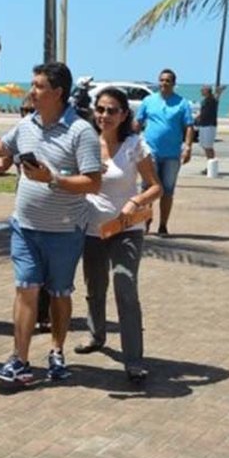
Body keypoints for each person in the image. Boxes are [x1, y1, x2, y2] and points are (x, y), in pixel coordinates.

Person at [0, 62, 101, 384]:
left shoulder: (81, 131)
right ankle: (20, 360)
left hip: (65, 231)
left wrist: (51, 179)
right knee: (25, 290)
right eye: (33, 84)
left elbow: (93, 183)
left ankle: (56, 351)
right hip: (24, 227)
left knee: (58, 293)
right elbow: (0, 149)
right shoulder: (27, 124)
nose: (32, 91)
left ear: (58, 92)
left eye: (39, 86)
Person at [74, 87, 163, 382]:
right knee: (94, 287)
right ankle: (96, 335)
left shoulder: (134, 145)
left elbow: (155, 186)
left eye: (112, 110)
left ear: (124, 114)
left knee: (125, 289)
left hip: (127, 229)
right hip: (92, 228)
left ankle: (134, 360)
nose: (105, 115)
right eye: (100, 109)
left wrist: (135, 201)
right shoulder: (86, 142)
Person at [135, 69, 195, 236]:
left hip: (172, 155)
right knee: (148, 189)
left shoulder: (182, 103)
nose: (164, 83)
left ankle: (163, 225)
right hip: (150, 151)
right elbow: (138, 123)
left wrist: (188, 147)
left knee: (167, 190)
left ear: (173, 83)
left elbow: (189, 126)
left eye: (168, 80)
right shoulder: (148, 100)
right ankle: (145, 223)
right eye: (161, 80)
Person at [195, 84, 226, 172]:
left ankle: (211, 165)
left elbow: (217, 96)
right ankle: (210, 164)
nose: (201, 91)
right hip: (203, 125)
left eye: (202, 89)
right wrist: (197, 118)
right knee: (204, 146)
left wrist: (220, 91)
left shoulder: (211, 99)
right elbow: (203, 112)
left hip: (209, 125)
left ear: (207, 91)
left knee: (208, 146)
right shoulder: (204, 101)